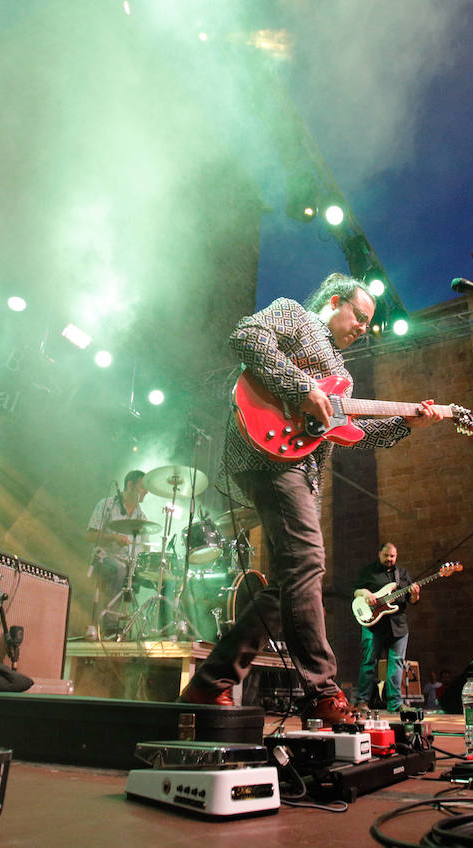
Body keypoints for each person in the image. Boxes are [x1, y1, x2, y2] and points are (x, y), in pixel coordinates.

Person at [178, 273, 443, 726]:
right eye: (359, 316)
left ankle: (209, 682)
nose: (363, 327)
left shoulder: (342, 376)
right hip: (266, 455)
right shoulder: (295, 315)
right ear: (334, 301)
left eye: (368, 323)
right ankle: (321, 690)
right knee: (309, 562)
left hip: (300, 468)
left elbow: (352, 434)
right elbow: (245, 336)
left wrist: (408, 422)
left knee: (286, 587)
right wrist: (302, 390)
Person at [353, 542, 419, 712]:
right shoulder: (368, 571)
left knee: (396, 664)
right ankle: (362, 701)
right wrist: (364, 593)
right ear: (379, 554)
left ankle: (395, 703)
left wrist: (415, 594)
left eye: (392, 556)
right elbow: (355, 591)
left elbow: (412, 601)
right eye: (386, 556)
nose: (389, 559)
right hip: (373, 625)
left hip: (398, 625)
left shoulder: (402, 573)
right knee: (369, 662)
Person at [85, 470, 149, 631]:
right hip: (104, 558)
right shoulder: (107, 505)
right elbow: (90, 535)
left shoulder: (142, 517)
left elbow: (146, 547)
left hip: (130, 563)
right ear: (130, 484)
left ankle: (146, 627)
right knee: (120, 569)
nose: (146, 491)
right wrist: (113, 537)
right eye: (143, 487)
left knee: (157, 577)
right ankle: (110, 625)